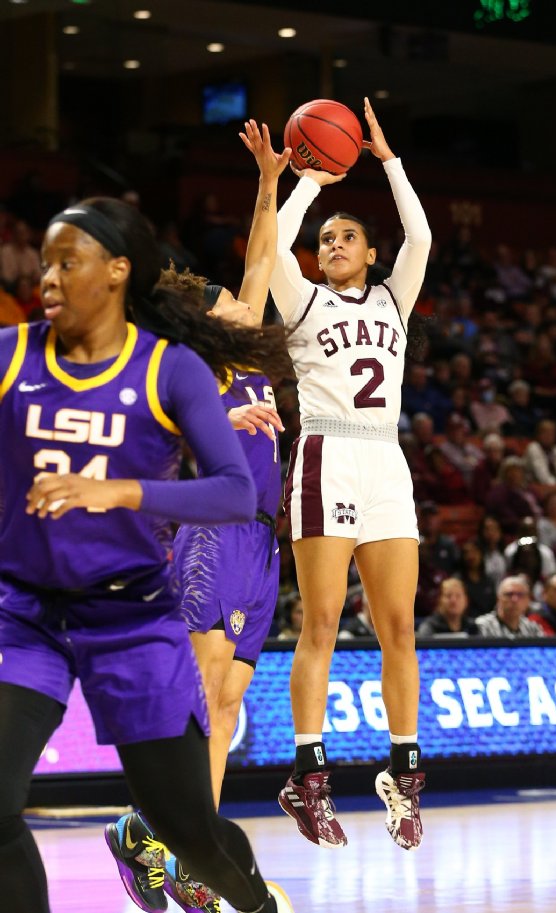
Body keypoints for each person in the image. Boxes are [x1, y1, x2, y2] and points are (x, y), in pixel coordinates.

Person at [0, 133, 294, 913]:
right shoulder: (15, 355)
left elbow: (260, 260)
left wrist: (273, 184)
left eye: (69, 260)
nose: (46, 274)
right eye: (45, 259)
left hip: (167, 589)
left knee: (199, 787)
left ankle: (225, 881)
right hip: (33, 608)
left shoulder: (187, 362)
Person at [106, 122, 291, 913]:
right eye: (224, 301)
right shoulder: (180, 373)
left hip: (262, 538)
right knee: (199, 689)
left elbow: (259, 256)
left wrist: (267, 181)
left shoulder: (244, 357)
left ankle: (194, 848)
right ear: (201, 318)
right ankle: (148, 827)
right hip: (211, 532)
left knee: (226, 704)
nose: (242, 302)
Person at [268, 96, 431, 852]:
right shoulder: (298, 301)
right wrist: (310, 177)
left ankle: (402, 770)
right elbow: (269, 244)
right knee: (323, 621)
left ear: (370, 254)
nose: (331, 243)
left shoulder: (395, 298)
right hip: (325, 452)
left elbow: (421, 233)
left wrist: (387, 161)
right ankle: (308, 773)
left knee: (399, 625)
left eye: (345, 237)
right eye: (326, 237)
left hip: (384, 460)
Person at [476, 577, 545, 638]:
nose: (514, 600)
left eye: (520, 595)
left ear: (528, 601)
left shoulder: (533, 629)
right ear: (498, 599)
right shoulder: (481, 626)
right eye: (509, 594)